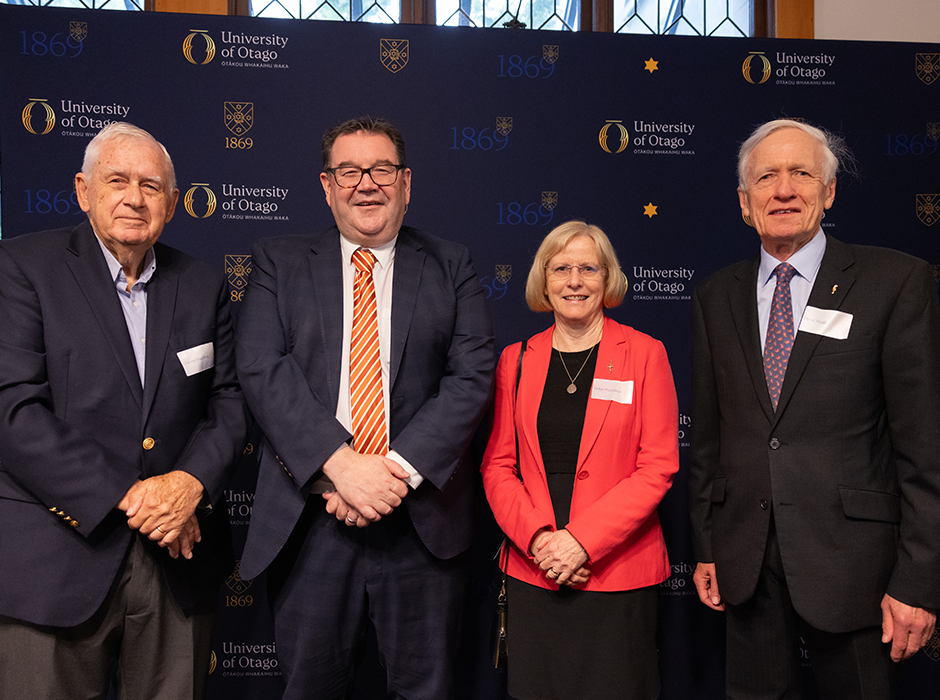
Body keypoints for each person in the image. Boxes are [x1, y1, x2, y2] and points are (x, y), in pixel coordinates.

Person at [236, 116, 495, 700]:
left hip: (420, 523)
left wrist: (391, 473)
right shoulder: (279, 260)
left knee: (426, 690)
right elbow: (260, 367)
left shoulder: (452, 264)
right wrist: (342, 467)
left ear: (406, 183)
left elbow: (472, 375)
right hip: (312, 520)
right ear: (326, 186)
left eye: (380, 169)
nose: (365, 184)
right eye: (348, 171)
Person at [689, 119, 940, 699]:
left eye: (801, 173)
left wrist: (919, 580)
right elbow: (708, 438)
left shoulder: (894, 282)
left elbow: (925, 449)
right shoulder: (714, 296)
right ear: (744, 202)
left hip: (857, 567)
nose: (783, 190)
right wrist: (706, 547)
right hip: (746, 560)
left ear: (828, 192)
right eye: (766, 177)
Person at [0, 122, 250, 698]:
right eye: (118, 181)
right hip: (54, 562)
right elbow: (13, 411)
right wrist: (135, 495)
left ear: (173, 202)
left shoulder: (204, 284)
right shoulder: (21, 268)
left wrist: (189, 481)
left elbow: (229, 401)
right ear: (84, 191)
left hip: (178, 563)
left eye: (151, 185)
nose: (134, 198)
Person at [481, 221, 679, 700]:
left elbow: (658, 466)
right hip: (535, 571)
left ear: (607, 278)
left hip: (617, 575)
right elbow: (498, 466)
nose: (575, 281)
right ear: (543, 281)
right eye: (561, 269)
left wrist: (582, 543)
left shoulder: (646, 354)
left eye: (588, 268)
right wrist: (540, 543)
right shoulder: (516, 359)